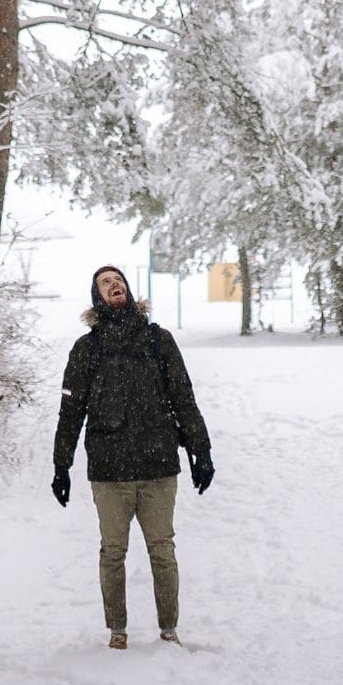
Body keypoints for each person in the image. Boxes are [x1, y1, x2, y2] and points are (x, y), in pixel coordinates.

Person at [51, 263, 214, 649]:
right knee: (113, 552)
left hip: (158, 466)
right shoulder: (86, 349)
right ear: (98, 298)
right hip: (109, 472)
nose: (114, 285)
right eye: (106, 283)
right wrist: (62, 464)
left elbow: (183, 398)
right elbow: (71, 412)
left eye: (119, 280)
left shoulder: (159, 341)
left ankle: (168, 629)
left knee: (162, 549)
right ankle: (117, 631)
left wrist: (200, 450)